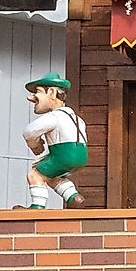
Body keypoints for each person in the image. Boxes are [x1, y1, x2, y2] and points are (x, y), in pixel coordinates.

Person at [22, 74, 88, 208]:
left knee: (35, 174)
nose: (31, 97)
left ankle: (37, 206)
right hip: (81, 155)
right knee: (52, 176)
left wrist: (35, 144)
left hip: (64, 154)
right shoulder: (76, 118)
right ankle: (73, 197)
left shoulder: (54, 116)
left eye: (38, 92)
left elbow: (29, 132)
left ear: (51, 92)